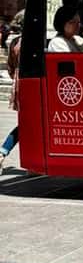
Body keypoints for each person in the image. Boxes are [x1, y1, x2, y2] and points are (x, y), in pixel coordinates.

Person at [0, 12, 24, 170]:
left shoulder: (14, 41)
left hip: (19, 86)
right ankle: (2, 152)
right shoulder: (31, 41)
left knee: (25, 123)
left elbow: (10, 67)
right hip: (31, 85)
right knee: (26, 125)